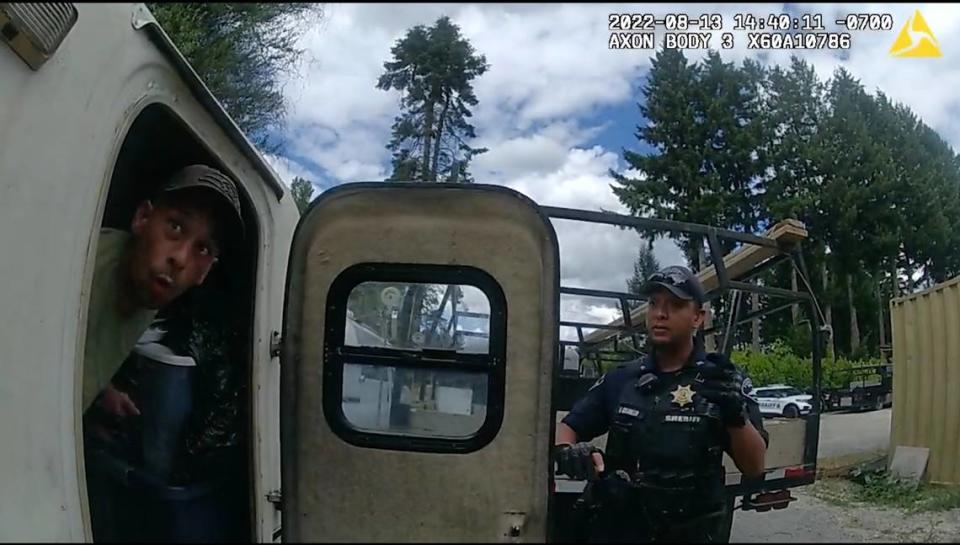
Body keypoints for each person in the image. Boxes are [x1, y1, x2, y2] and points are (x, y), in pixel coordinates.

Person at [554, 265, 768, 543]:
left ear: (698, 318)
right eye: (654, 304)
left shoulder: (723, 381)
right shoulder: (622, 379)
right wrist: (568, 451)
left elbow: (754, 466)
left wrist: (735, 414)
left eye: (675, 305)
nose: (660, 314)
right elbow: (567, 428)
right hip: (620, 529)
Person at [82, 164, 244, 422]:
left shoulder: (152, 288)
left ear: (204, 272)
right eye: (176, 227)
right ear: (142, 218)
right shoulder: (79, 267)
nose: (180, 259)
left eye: (202, 249)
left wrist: (102, 392)